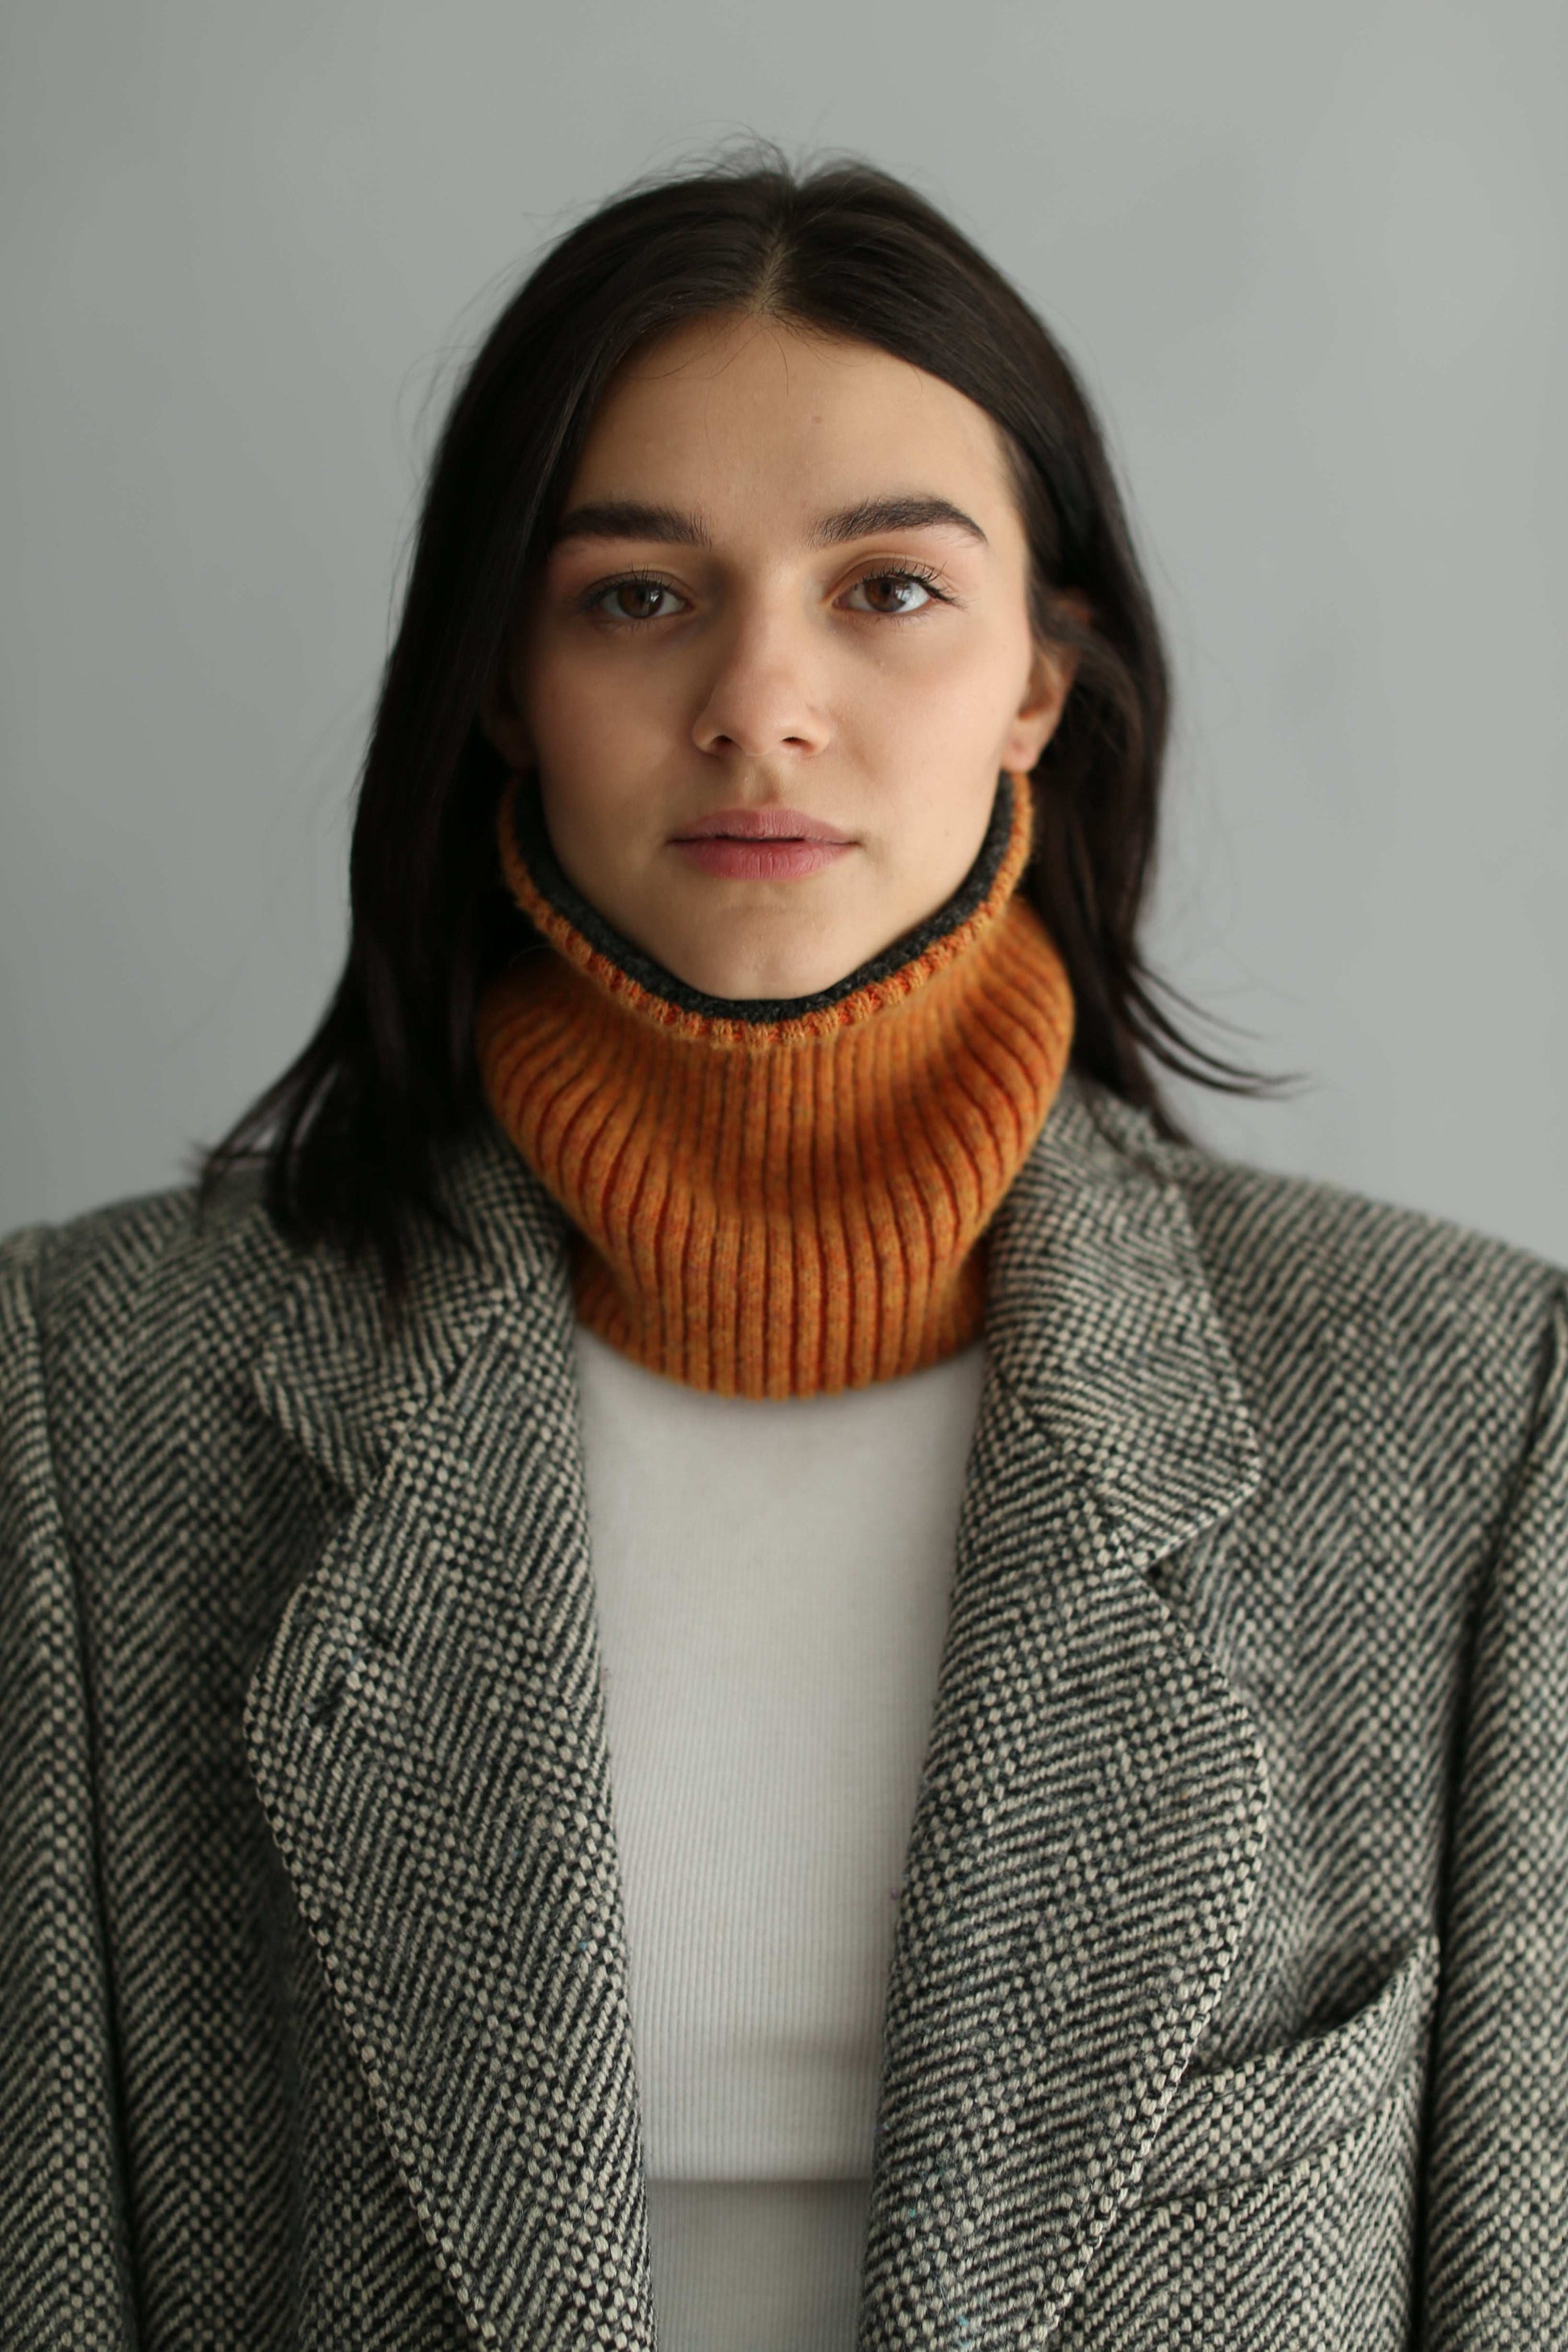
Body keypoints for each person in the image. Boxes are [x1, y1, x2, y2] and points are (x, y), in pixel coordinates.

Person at [1, 139, 1561, 2352]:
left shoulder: (1462, 1407)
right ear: (501, 682)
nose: (757, 701)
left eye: (887, 590)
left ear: (1042, 682)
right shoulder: (90, 1396)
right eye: (636, 596)